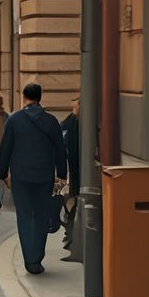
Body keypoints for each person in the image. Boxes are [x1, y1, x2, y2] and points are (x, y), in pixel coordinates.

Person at [0, 81, 69, 274]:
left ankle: (30, 257)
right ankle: (36, 256)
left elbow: (5, 148)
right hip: (44, 175)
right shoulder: (51, 121)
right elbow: (60, 151)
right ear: (40, 97)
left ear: (24, 97)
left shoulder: (14, 120)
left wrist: (2, 173)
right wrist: (61, 177)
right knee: (41, 215)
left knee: (25, 215)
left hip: (21, 175)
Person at [60, 95, 81, 249]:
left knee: (71, 198)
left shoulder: (72, 121)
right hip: (74, 166)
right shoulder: (74, 121)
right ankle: (70, 231)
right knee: (72, 198)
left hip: (72, 166)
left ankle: (70, 231)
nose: (73, 108)